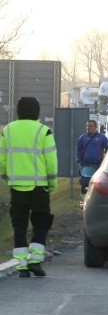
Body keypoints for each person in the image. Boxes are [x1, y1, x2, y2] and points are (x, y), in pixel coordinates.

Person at [0, 97, 58, 277]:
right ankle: (35, 260)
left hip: (16, 187)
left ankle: (22, 265)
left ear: (18, 111)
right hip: (39, 187)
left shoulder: (7, 131)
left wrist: (6, 178)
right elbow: (51, 161)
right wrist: (52, 182)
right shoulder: (44, 131)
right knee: (41, 223)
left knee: (19, 226)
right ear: (37, 111)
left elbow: (2, 159)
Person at [76, 119, 108, 197]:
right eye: (87, 126)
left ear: (95, 127)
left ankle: (95, 197)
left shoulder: (101, 137)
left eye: (90, 126)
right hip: (85, 164)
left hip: (97, 164)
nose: (88, 128)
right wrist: (79, 160)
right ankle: (84, 198)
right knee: (85, 181)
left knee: (96, 182)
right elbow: (78, 149)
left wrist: (105, 160)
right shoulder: (83, 138)